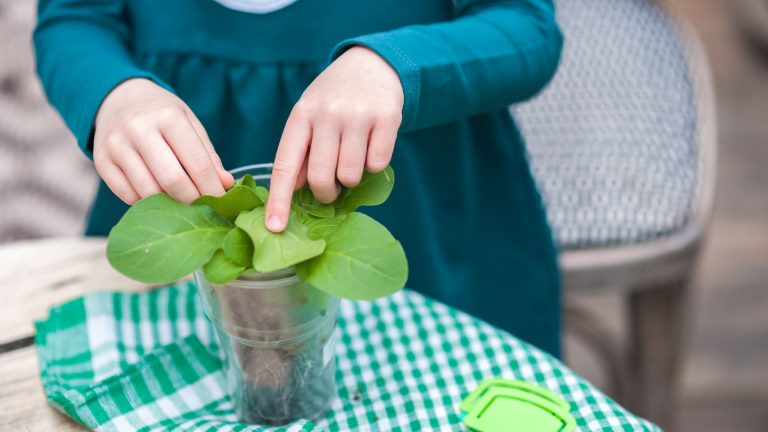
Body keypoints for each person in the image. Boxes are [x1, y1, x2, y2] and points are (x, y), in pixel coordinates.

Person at [34, 0, 564, 356]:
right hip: (184, 203)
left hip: (427, 215)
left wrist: (395, 66)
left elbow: (525, 26)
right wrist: (113, 92)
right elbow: (75, 18)